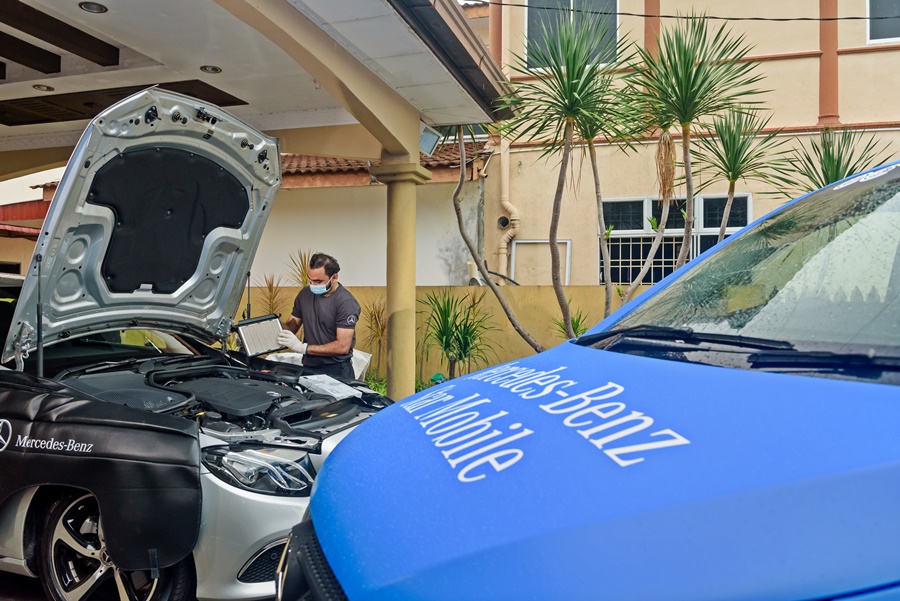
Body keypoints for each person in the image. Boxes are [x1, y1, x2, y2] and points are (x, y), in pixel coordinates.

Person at [277, 253, 361, 380]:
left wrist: (303, 347)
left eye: (318, 281)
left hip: (337, 370)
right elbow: (292, 326)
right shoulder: (305, 294)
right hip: (309, 367)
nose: (313, 285)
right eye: (310, 280)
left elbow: (343, 346)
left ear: (334, 277)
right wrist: (273, 326)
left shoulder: (345, 302)